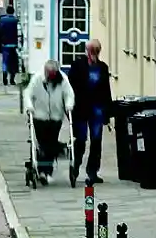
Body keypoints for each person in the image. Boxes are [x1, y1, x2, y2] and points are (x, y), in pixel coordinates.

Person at [67, 39, 113, 185]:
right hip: (80, 108)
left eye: (96, 51)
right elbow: (70, 87)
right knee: (80, 140)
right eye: (92, 50)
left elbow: (106, 90)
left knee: (96, 141)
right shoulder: (77, 66)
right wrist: (69, 106)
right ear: (87, 51)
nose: (94, 53)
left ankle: (92, 172)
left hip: (97, 109)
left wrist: (108, 111)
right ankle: (75, 166)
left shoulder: (103, 68)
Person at [24, 60, 75, 185]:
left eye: (54, 74)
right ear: (46, 72)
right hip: (39, 116)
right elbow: (28, 94)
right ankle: (42, 171)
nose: (52, 77)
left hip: (56, 117)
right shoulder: (37, 79)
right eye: (50, 74)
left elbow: (69, 94)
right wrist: (29, 106)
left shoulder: (62, 79)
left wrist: (69, 105)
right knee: (42, 144)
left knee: (51, 143)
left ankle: (47, 172)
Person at [0, 5, 19, 86]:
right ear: (13, 11)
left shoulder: (2, 20)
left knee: (5, 61)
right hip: (14, 44)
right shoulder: (16, 20)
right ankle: (12, 79)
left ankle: (4, 75)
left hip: (5, 44)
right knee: (14, 62)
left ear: (6, 11)